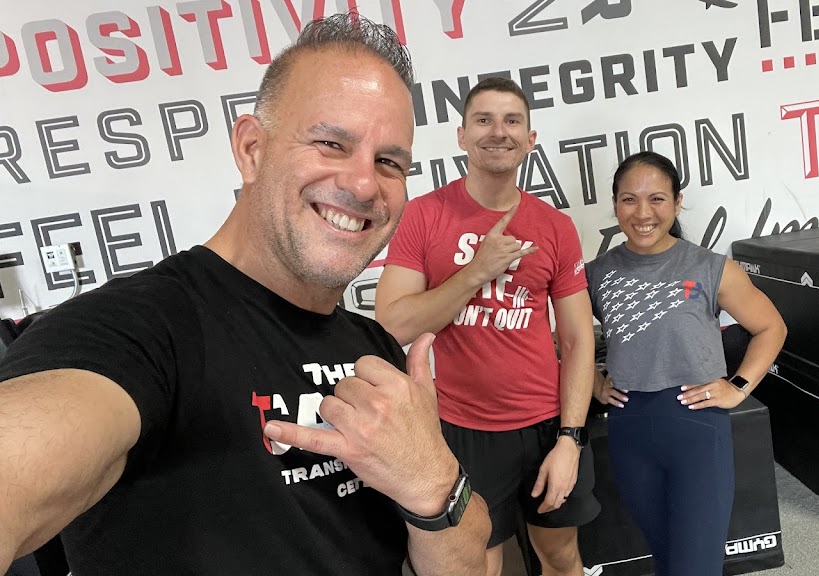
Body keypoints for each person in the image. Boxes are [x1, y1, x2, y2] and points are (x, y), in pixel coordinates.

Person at [0, 14, 490, 576]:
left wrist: (432, 482)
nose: (362, 184)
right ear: (252, 148)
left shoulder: (373, 347)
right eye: (331, 143)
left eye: (388, 162)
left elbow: (467, 567)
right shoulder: (139, 329)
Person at [375, 77, 600, 576]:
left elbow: (577, 339)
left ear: (530, 138)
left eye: (511, 120)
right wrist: (477, 271)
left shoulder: (555, 226)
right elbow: (393, 324)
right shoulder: (424, 215)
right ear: (461, 135)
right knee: (480, 565)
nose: (498, 131)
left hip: (547, 426)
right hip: (463, 431)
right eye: (483, 120)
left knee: (561, 557)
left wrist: (571, 438)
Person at [586, 151, 787, 576]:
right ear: (615, 204)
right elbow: (566, 338)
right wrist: (592, 379)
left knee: (696, 567)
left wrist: (738, 386)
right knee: (666, 560)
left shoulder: (710, 268)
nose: (643, 213)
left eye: (657, 199)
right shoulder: (596, 274)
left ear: (677, 203)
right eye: (629, 199)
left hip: (697, 430)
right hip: (629, 429)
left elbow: (772, 327)